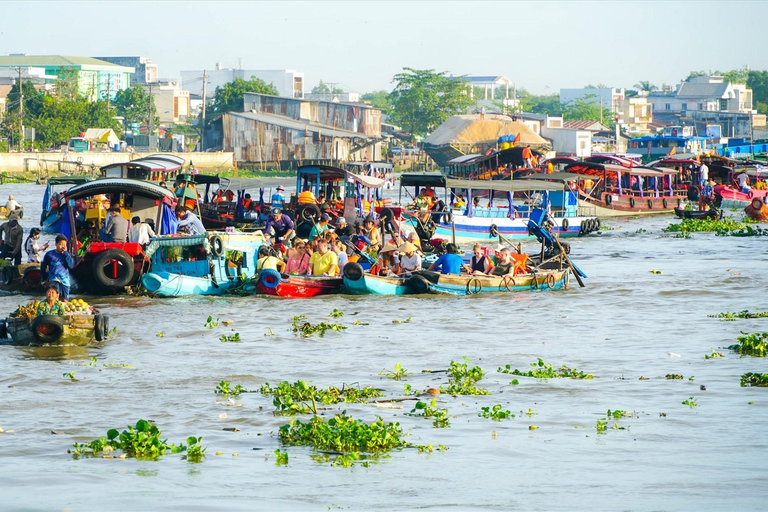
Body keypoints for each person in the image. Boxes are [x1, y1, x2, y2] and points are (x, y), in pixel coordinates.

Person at [40, 234, 75, 300]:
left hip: (65, 281)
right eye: (60, 244)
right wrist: (44, 278)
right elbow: (43, 267)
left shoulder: (67, 255)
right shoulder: (49, 254)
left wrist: (65, 254)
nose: (63, 246)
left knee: (65, 300)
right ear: (56, 244)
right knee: (54, 298)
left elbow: (71, 266)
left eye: (64, 245)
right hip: (54, 279)